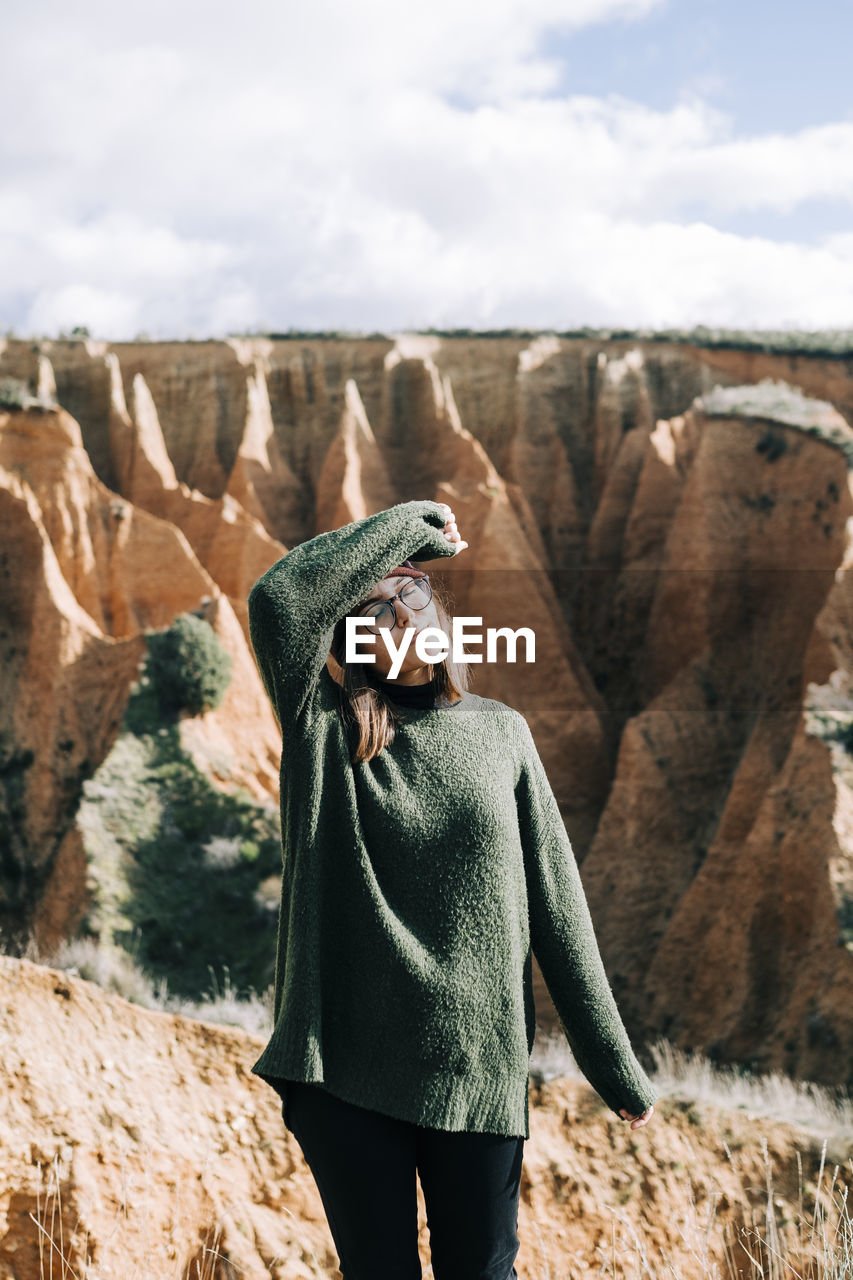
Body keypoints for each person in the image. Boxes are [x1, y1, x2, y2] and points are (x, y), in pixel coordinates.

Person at [246, 498, 658, 1280]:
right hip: (345, 1073)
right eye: (372, 610)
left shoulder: (501, 734)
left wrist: (615, 1069)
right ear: (349, 642)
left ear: (440, 612)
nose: (399, 616)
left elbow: (559, 913)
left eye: (412, 594)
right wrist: (408, 528)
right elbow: (278, 598)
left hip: (478, 1068)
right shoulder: (323, 731)